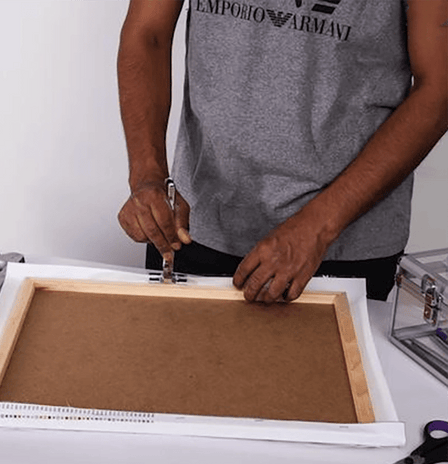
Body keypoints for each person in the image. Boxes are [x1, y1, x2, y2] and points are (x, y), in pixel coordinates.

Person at [117, 0, 448, 302]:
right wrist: (147, 177)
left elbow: (439, 88)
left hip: (339, 246)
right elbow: (148, 34)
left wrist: (317, 228)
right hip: (194, 227)